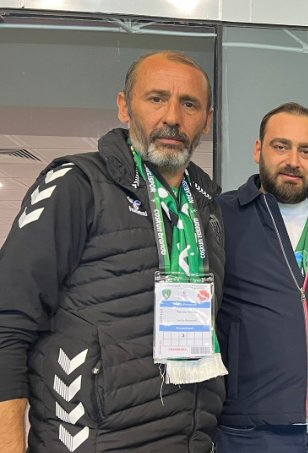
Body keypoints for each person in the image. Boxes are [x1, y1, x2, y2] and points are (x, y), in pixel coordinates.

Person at [0, 51, 226, 452]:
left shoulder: (207, 208)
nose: (172, 117)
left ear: (207, 119)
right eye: (156, 98)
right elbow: (7, 322)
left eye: (189, 104)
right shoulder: (76, 184)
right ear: (125, 106)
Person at [215, 102, 308, 452]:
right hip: (249, 431)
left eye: (306, 151)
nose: (293, 160)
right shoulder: (219, 217)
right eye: (281, 146)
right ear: (258, 150)